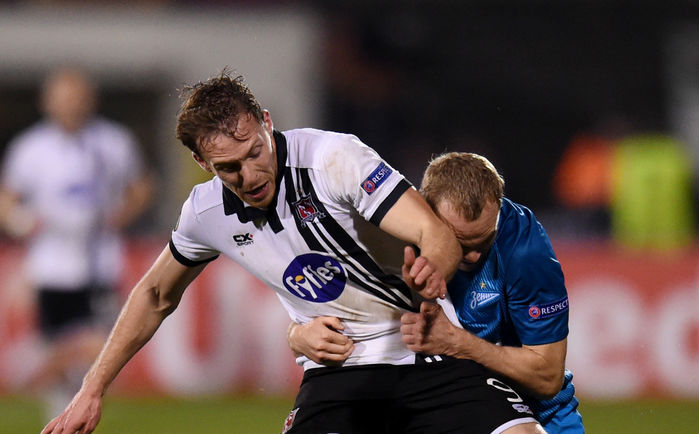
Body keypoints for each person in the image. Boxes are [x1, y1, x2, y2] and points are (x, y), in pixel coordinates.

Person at [42, 71, 545, 434]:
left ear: (266, 122)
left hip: (426, 351)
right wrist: (92, 389)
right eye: (229, 168)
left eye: (254, 152)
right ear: (201, 161)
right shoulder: (204, 211)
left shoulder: (333, 159)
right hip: (337, 370)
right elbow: (154, 294)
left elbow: (433, 232)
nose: (250, 176)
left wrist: (433, 270)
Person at [289, 153, 584, 433]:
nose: (473, 257)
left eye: (485, 241)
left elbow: (547, 378)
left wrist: (458, 343)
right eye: (459, 243)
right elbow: (333, 306)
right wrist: (296, 335)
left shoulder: (523, 248)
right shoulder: (389, 232)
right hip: (445, 405)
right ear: (425, 212)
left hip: (536, 411)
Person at [0, 67, 153, 419]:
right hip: (52, 265)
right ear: (48, 102)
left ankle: (31, 367)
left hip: (100, 262)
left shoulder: (113, 142)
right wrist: (21, 221)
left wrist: (119, 217)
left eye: (77, 98)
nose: (71, 106)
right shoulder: (30, 148)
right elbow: (7, 198)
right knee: (58, 346)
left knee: (100, 345)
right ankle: (60, 413)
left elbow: (142, 187)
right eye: (63, 99)